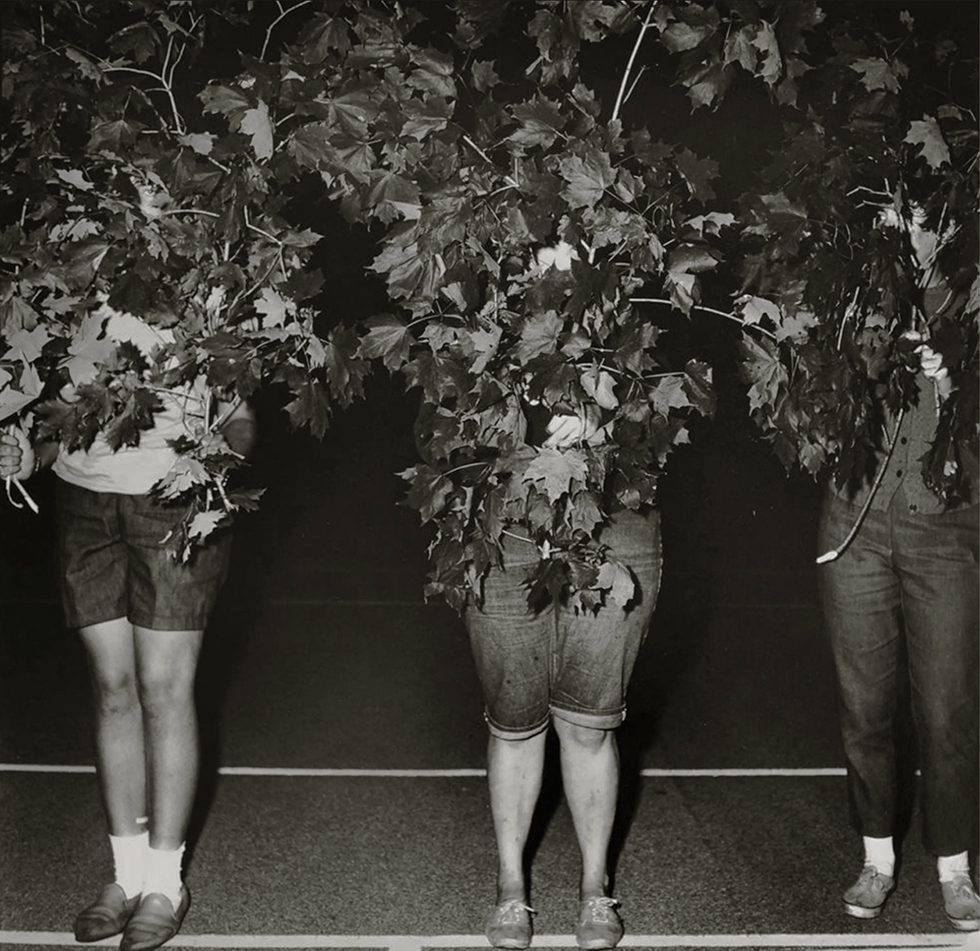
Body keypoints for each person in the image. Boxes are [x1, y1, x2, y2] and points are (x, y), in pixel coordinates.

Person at [0, 302, 256, 951]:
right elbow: (61, 416)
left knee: (163, 686)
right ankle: (126, 875)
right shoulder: (67, 280)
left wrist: (220, 457)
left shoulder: (207, 270)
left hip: (174, 498)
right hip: (83, 497)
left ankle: (166, 882)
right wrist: (29, 452)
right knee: (113, 687)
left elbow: (243, 416)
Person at [816, 227, 979, 932]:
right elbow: (809, 380)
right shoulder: (855, 285)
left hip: (946, 524)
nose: (918, 228)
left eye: (932, 214)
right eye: (901, 209)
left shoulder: (973, 292)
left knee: (946, 710)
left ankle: (955, 865)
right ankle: (876, 855)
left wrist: (960, 381)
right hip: (853, 522)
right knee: (865, 708)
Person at [469, 399, 661, 950]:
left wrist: (605, 422)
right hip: (502, 523)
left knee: (589, 723)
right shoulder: (479, 312)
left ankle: (594, 886)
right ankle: (510, 886)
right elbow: (437, 417)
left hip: (614, 517)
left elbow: (663, 409)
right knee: (514, 722)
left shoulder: (626, 312)